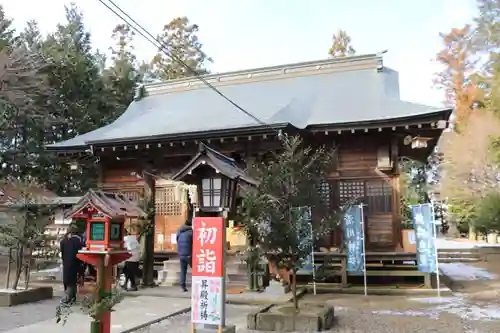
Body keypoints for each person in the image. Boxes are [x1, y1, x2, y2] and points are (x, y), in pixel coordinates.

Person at [60, 224, 85, 305]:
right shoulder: (78, 241)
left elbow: (62, 253)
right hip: (75, 262)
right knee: (72, 281)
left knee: (67, 280)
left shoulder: (64, 241)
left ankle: (69, 297)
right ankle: (71, 297)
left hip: (66, 262)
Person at [176, 219, 193, 292]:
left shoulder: (179, 231)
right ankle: (198, 285)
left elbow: (177, 240)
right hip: (189, 254)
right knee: (196, 269)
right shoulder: (191, 233)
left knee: (183, 270)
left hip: (181, 254)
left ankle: (182, 287)